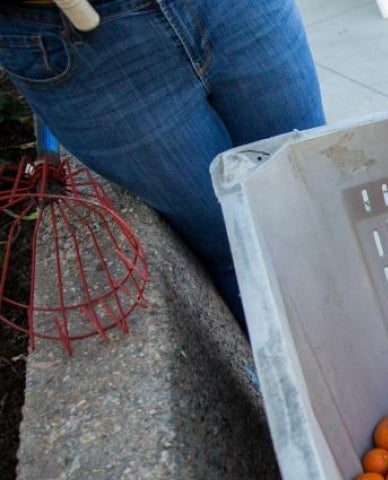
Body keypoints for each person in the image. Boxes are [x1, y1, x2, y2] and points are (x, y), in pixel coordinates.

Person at [0, 0, 326, 330]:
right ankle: (310, 373)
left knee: (312, 205)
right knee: (236, 249)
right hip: (79, 44)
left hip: (235, 9)